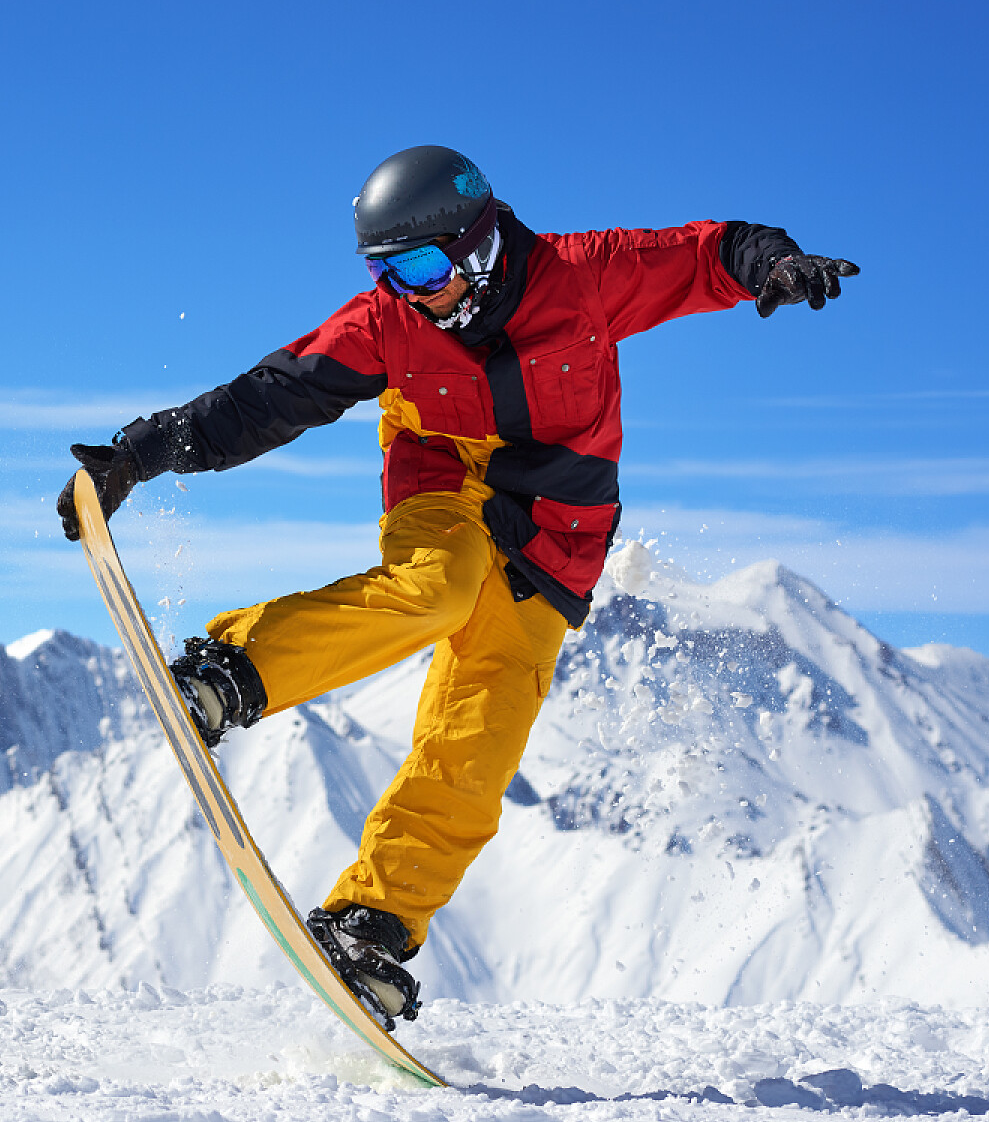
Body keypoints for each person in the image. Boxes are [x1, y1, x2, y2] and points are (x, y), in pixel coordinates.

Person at [56, 145, 857, 1029]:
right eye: (384, 271)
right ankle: (228, 673)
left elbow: (709, 250)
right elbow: (271, 397)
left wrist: (774, 263)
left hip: (555, 535)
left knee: (479, 740)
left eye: (422, 266)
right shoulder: (393, 323)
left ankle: (371, 921)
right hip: (443, 489)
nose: (408, 288)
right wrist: (139, 452)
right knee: (436, 588)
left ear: (475, 246)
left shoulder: (583, 279)